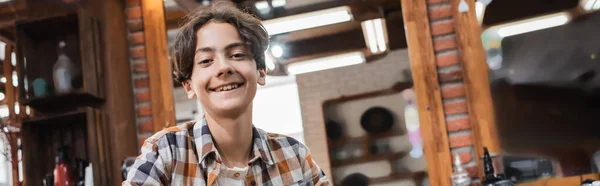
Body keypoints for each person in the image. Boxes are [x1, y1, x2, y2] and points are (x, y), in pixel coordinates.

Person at [123, 1, 330, 186]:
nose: (224, 68)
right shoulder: (166, 152)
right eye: (206, 61)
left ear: (261, 71)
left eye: (237, 55)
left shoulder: (294, 156)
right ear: (189, 86)